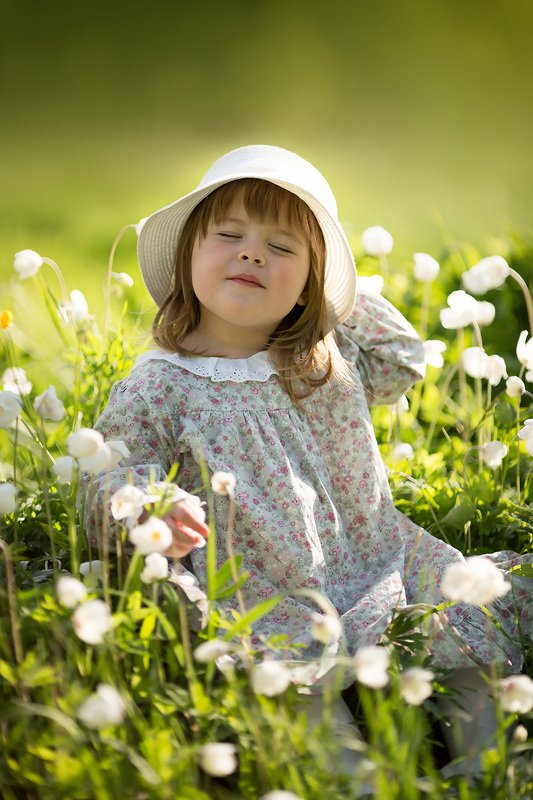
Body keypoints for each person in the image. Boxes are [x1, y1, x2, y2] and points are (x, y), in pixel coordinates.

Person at [84, 144, 531, 781]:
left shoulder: (323, 353)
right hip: (265, 588)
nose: (252, 253)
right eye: (230, 235)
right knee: (305, 702)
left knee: (459, 641)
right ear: (187, 257)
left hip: (375, 558)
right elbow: (111, 469)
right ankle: (361, 784)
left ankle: (490, 770)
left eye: (283, 248)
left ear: (310, 282)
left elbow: (402, 357)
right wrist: (152, 504)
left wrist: (333, 298)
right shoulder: (161, 384)